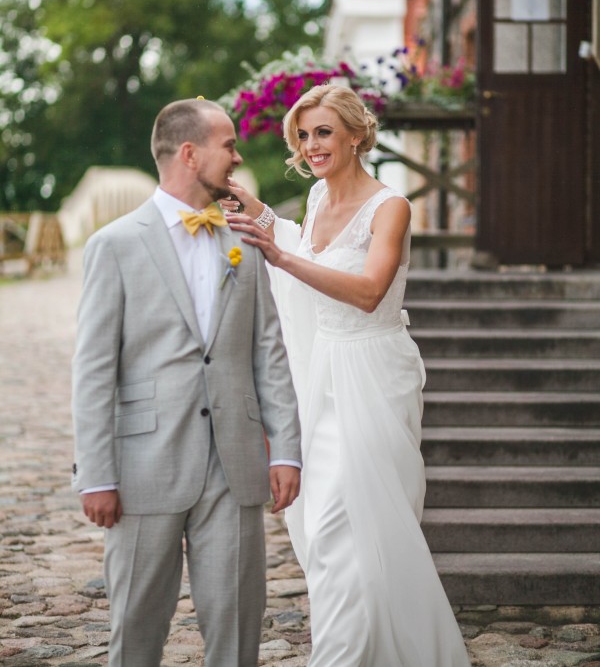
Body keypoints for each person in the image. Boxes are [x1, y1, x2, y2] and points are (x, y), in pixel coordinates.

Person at [226, 84, 471, 667]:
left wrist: (282, 259)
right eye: (304, 135)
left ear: (356, 135)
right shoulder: (313, 199)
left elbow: (366, 292)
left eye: (324, 132)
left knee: (353, 523)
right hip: (321, 372)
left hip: (372, 373)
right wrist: (260, 217)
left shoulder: (392, 206)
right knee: (322, 520)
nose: (312, 145)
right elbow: (301, 244)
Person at [71, 98, 302, 667]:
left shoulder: (243, 242)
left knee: (238, 621)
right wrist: (96, 473)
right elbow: (94, 368)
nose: (238, 156)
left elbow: (268, 352)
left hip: (234, 462)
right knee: (137, 623)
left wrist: (287, 452)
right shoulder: (115, 244)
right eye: (228, 145)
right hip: (142, 464)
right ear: (190, 153)